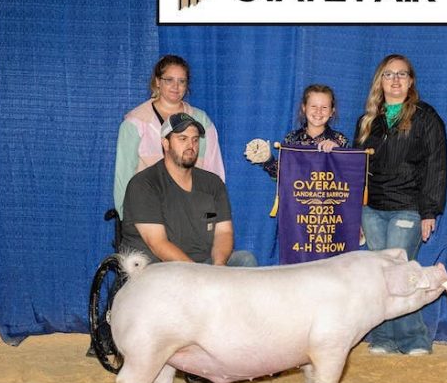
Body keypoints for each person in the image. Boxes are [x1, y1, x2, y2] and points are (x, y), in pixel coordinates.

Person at [354, 54, 447, 356]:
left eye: (402, 74)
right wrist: (355, 212)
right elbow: (356, 169)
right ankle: (384, 337)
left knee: (402, 274)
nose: (395, 80)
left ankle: (414, 338)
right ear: (379, 81)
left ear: (411, 81)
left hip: (408, 206)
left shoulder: (425, 117)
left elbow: (436, 164)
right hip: (372, 210)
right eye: (388, 74)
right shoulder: (368, 121)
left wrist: (429, 210)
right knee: (380, 276)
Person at [121, 112, 256, 267]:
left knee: (245, 260)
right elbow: (158, 244)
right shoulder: (144, 184)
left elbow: (223, 233)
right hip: (160, 269)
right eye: (182, 139)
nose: (190, 146)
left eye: (195, 140)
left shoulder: (213, 183)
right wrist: (197, 275)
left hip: (204, 266)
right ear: (166, 143)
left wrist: (218, 268)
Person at [113, 55, 225, 218]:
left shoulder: (201, 121)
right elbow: (123, 178)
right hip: (148, 215)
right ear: (157, 81)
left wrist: (213, 217)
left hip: (192, 216)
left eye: (182, 81)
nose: (176, 87)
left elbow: (214, 171)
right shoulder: (135, 123)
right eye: (169, 80)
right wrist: (126, 219)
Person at [244, 84, 348, 177]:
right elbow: (282, 176)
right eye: (313, 106)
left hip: (330, 198)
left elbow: (350, 175)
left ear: (331, 112)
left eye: (324, 107)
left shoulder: (339, 140)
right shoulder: (291, 139)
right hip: (297, 198)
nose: (318, 111)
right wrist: (268, 159)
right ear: (304, 108)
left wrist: (339, 153)